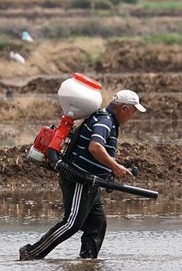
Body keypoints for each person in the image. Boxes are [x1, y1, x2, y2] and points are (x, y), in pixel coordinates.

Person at [19, 89, 146, 261]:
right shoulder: (105, 121)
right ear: (123, 108)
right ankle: (31, 253)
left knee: (97, 225)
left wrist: (109, 171)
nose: (134, 115)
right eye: (133, 111)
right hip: (80, 178)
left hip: (92, 182)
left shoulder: (107, 120)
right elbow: (95, 147)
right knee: (72, 223)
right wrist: (115, 166)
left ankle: (87, 262)